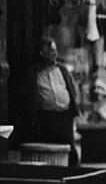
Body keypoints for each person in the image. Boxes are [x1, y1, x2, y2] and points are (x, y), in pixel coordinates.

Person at [26, 37, 79, 167]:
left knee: (69, 150)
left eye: (54, 50)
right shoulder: (34, 72)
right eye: (50, 50)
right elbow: (30, 95)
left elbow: (72, 88)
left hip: (64, 117)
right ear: (41, 53)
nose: (54, 53)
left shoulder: (62, 69)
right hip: (46, 117)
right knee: (49, 151)